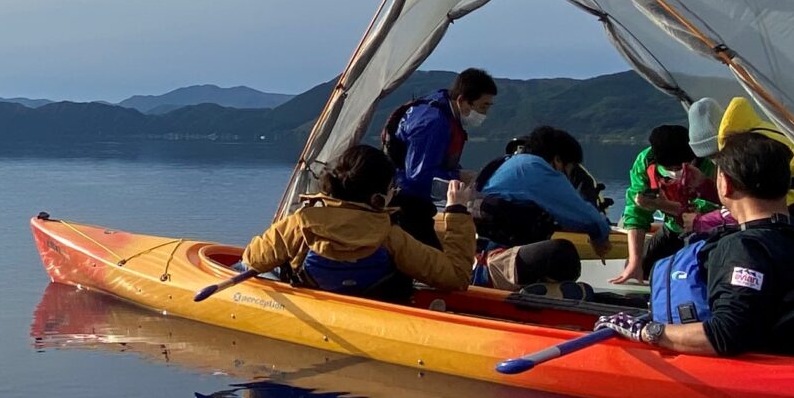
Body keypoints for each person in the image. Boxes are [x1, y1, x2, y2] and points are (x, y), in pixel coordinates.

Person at [605, 133, 794, 356]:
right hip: (777, 343)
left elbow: (727, 334)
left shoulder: (743, 249)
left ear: (725, 184)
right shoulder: (792, 238)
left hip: (737, 361)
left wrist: (645, 331)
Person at [241, 143, 475, 304]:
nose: (395, 192)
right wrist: (456, 211)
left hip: (315, 308)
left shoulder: (300, 223)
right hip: (376, 315)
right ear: (378, 198)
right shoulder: (390, 236)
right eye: (392, 188)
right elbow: (456, 277)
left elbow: (253, 259)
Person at [473, 125, 613, 293]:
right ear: (558, 160)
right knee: (564, 254)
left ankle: (540, 289)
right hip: (498, 263)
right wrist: (600, 236)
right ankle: (547, 294)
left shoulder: (506, 164)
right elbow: (585, 215)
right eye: (570, 168)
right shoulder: (535, 167)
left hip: (482, 257)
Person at [688, 95, 794, 223]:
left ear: (723, 141)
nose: (716, 162)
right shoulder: (760, 131)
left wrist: (705, 221)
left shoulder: (753, 150)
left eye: (716, 155)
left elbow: (766, 206)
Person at [383, 68, 497, 242]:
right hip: (407, 203)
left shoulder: (441, 108)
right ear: (462, 100)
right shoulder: (433, 123)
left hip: (412, 198)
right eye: (482, 107)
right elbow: (419, 176)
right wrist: (457, 176)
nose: (484, 114)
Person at [612, 123, 716, 284]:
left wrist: (662, 205)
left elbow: (712, 210)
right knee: (638, 268)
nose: (675, 171)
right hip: (672, 229)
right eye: (669, 168)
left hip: (710, 233)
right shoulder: (646, 162)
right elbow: (636, 213)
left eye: (680, 167)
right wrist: (635, 261)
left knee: (696, 275)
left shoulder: (710, 164)